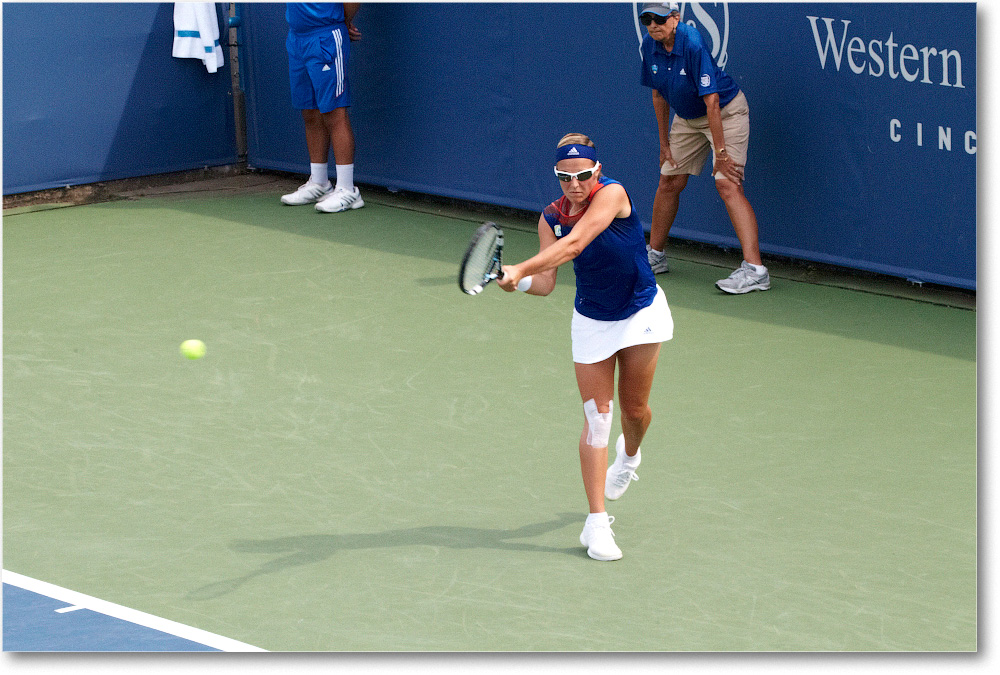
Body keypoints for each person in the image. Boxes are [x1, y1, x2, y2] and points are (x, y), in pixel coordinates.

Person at [498, 134, 674, 561]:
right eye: (564, 177)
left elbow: (575, 245)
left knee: (635, 411)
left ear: (597, 170)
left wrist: (520, 263)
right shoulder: (549, 218)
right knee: (598, 418)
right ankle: (596, 524)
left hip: (640, 314)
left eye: (582, 175)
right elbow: (545, 284)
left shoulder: (613, 194)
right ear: (556, 176)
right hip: (592, 321)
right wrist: (516, 280)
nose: (574, 184)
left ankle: (629, 457)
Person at [639, 2, 770, 293]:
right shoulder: (650, 46)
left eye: (658, 19)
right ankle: (655, 256)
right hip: (687, 119)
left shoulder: (693, 44)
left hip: (725, 113)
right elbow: (659, 96)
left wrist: (721, 154)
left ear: (675, 19)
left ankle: (756, 271)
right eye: (646, 20)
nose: (652, 25)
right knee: (669, 180)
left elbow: (712, 101)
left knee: (728, 184)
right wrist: (664, 144)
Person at [280, 3, 365, 213]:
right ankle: (319, 183)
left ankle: (348, 190)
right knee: (310, 112)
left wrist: (342, 22)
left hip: (326, 36)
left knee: (334, 112)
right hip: (297, 38)